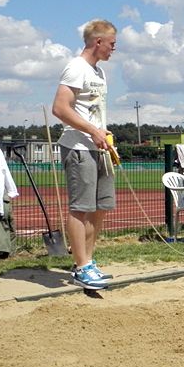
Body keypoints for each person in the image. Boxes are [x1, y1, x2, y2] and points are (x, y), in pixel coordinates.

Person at [52, 19, 117, 290]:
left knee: (101, 207)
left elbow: (92, 111)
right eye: (112, 44)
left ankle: (87, 261)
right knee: (81, 208)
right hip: (78, 147)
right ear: (97, 42)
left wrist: (104, 133)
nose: (114, 49)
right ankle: (81, 266)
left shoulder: (99, 73)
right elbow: (60, 108)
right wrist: (91, 130)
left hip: (99, 146)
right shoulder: (76, 68)